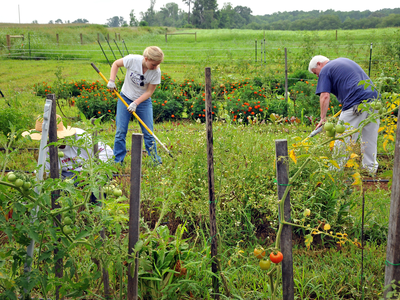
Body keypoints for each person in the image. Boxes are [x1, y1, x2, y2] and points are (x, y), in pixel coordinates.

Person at [308, 55, 380, 173]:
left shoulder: (326, 70)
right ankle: (370, 169)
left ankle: (335, 171)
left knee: (344, 137)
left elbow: (325, 95)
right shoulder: (343, 61)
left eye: (316, 73)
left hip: (355, 103)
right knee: (370, 137)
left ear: (319, 64)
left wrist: (323, 118)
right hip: (374, 100)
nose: (317, 76)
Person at [107, 46, 164, 165]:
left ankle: (155, 161)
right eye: (154, 64)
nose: (156, 67)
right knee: (120, 131)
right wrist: (112, 80)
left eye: (158, 64)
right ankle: (118, 161)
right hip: (125, 97)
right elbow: (116, 64)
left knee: (148, 132)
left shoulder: (156, 72)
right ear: (146, 58)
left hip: (143, 102)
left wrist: (136, 103)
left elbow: (149, 92)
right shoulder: (132, 60)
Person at [22, 114, 114, 179]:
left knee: (101, 176)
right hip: (68, 176)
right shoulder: (46, 149)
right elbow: (44, 171)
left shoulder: (80, 137)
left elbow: (107, 152)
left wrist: (88, 169)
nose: (45, 141)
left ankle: (96, 205)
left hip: (90, 171)